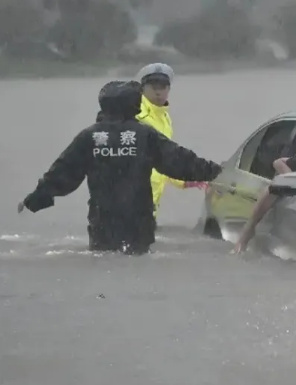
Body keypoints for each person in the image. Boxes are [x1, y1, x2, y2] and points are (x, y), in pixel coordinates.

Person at [18, 81, 223, 255]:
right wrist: (218, 172)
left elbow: (63, 173)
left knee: (105, 259)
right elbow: (180, 161)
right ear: (135, 104)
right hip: (139, 220)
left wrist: (35, 199)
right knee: (137, 262)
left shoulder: (89, 137)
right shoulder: (144, 135)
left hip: (103, 221)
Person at [134, 63, 207, 223]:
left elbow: (166, 157)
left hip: (150, 199)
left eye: (163, 86)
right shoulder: (137, 115)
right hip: (134, 195)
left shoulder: (164, 118)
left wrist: (186, 180)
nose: (158, 91)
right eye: (153, 86)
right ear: (142, 88)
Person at [232, 125, 296, 254]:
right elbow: (279, 163)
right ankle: (245, 235)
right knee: (272, 189)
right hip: (256, 187)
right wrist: (290, 178)